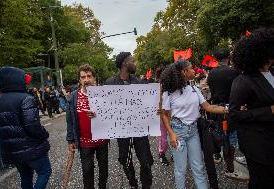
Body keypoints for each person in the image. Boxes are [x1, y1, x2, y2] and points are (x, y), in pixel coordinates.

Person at [161, 59, 227, 189]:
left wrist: (228, 109)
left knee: (199, 166)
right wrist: (171, 134)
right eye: (191, 68)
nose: (194, 70)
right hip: (177, 133)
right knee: (181, 169)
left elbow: (208, 107)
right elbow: (164, 115)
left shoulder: (194, 88)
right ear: (184, 72)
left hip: (193, 132)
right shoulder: (168, 92)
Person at [0, 66, 51, 189]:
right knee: (45, 171)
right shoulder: (25, 98)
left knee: (25, 176)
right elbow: (33, 126)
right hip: (31, 147)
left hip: (13, 150)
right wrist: (44, 134)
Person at [229, 28, 274, 189]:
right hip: (259, 144)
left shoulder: (271, 73)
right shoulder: (243, 81)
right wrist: (269, 111)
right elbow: (234, 114)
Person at [105, 52, 154, 189]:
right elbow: (105, 107)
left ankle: (146, 185)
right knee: (125, 160)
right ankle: (133, 183)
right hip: (122, 131)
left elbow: (146, 104)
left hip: (140, 130)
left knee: (145, 161)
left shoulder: (139, 82)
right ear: (125, 63)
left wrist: (153, 110)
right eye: (133, 60)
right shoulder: (109, 84)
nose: (135, 63)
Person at [206, 48, 248, 180]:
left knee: (217, 133)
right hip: (231, 108)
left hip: (215, 108)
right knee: (231, 137)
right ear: (228, 58)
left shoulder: (211, 73)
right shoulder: (234, 72)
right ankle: (230, 169)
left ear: (216, 59)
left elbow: (210, 89)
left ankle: (217, 156)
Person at [66, 64, 109, 189]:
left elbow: (112, 114)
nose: (86, 80)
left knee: (103, 169)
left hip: (102, 140)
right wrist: (70, 140)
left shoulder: (103, 94)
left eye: (89, 76)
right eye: (83, 77)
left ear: (94, 78)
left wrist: (99, 114)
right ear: (80, 80)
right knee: (87, 171)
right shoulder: (74, 96)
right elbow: (70, 120)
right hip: (84, 142)